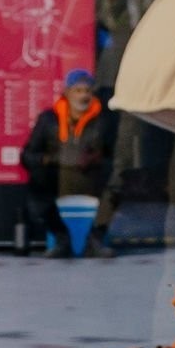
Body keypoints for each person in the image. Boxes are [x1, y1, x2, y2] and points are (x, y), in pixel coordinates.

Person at [19, 68, 118, 254]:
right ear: (67, 92)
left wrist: (96, 159)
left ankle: (95, 238)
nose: (83, 96)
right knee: (37, 186)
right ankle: (61, 237)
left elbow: (113, 155)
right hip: (58, 176)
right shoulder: (48, 119)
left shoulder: (103, 121)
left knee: (117, 183)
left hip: (89, 176)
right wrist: (52, 159)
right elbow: (27, 156)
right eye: (78, 91)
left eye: (87, 91)